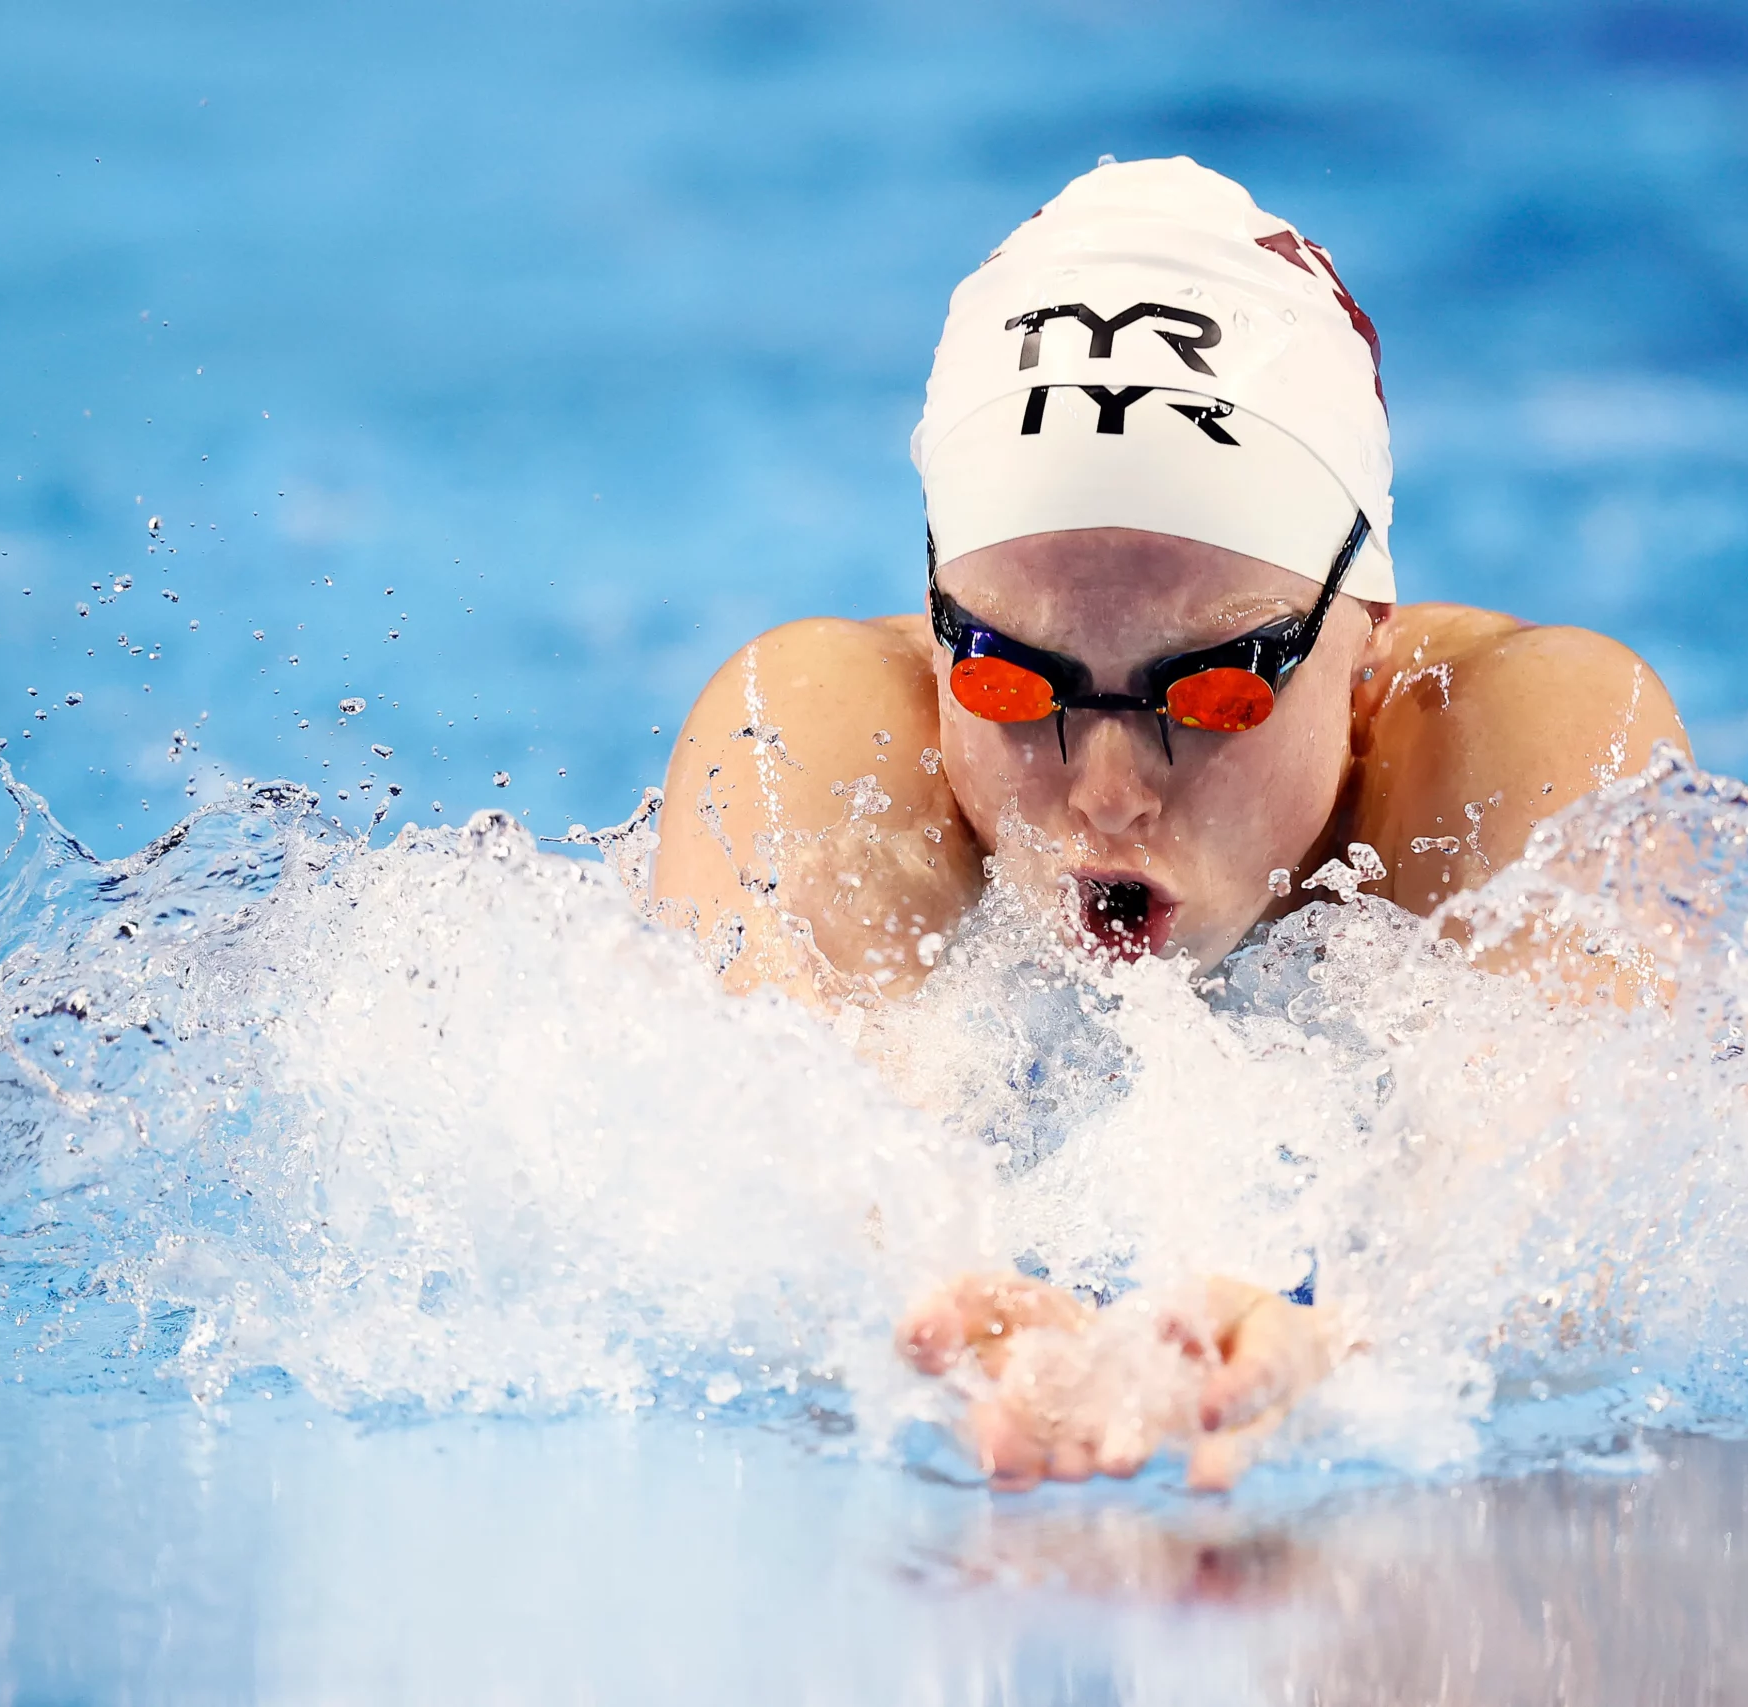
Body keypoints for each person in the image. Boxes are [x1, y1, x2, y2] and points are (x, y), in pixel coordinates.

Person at [653, 158, 1688, 1490]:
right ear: (932, 620)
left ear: (1362, 635)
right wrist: (919, 1293)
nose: (1107, 789)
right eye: (1009, 679)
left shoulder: (1523, 740)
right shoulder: (809, 725)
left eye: (1214, 691)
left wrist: (1368, 1333)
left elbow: (1589, 1181)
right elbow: (757, 1128)